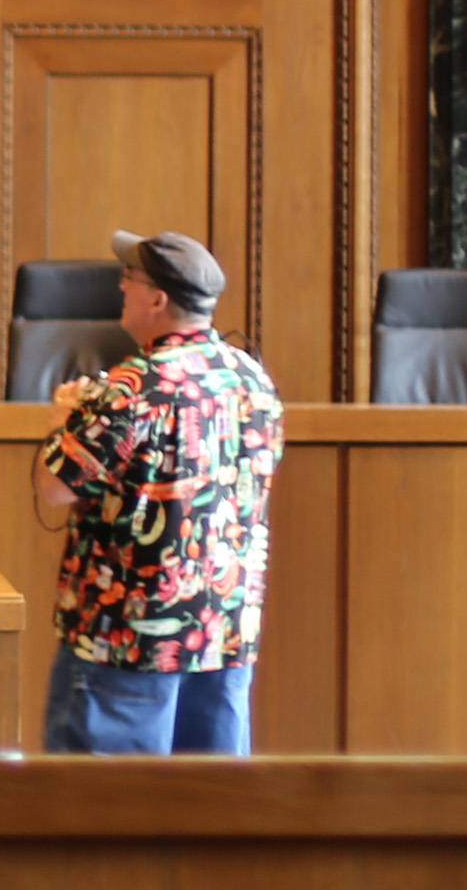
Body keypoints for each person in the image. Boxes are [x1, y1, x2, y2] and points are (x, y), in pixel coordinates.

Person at [30, 228, 284, 755]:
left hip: (128, 638)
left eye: (128, 279)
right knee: (212, 818)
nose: (121, 288)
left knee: (107, 819)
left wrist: (62, 420)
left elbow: (54, 486)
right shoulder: (253, 379)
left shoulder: (134, 386)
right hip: (223, 632)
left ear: (158, 299)